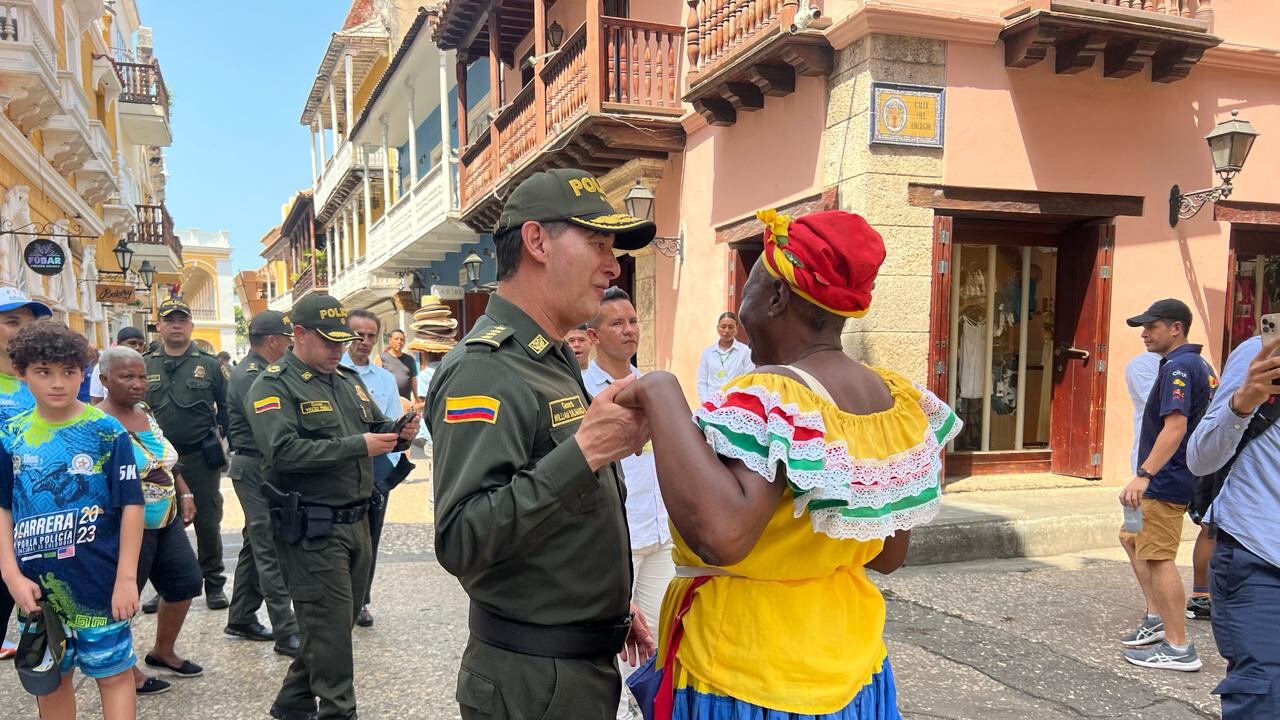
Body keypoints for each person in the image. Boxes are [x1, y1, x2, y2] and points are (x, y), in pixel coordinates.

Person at [615, 209, 961, 718]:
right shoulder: (894, 401)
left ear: (777, 298)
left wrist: (661, 390)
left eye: (749, 289)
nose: (741, 307)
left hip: (747, 670)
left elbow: (723, 536)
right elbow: (888, 554)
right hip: (849, 660)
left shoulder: (769, 396)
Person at [428, 168, 657, 719]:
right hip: (531, 684)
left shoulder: (550, 360)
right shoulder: (485, 370)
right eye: (598, 243)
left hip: (575, 666)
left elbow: (556, 518)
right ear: (536, 242)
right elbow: (462, 538)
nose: (614, 264)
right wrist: (584, 453)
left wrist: (601, 595)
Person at [247, 294, 417, 720]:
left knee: (332, 628)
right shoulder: (272, 385)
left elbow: (375, 424)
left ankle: (291, 703)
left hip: (357, 520)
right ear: (298, 335)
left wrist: (401, 430)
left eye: (341, 342)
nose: (338, 349)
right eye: (329, 342)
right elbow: (282, 451)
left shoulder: (345, 380)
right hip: (313, 529)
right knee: (334, 640)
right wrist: (356, 446)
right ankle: (339, 711)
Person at [0, 319, 144, 720]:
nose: (58, 383)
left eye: (69, 371)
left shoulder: (104, 431)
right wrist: (11, 575)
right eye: (44, 372)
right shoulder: (11, 435)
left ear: (83, 373)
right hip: (38, 594)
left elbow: (131, 504)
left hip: (100, 586)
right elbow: (3, 507)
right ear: (22, 372)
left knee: (114, 675)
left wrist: (126, 579)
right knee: (51, 680)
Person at [583, 287, 673, 720]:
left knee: (654, 638)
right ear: (594, 335)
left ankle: (646, 710)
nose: (628, 330)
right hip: (619, 536)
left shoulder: (652, 385)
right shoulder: (586, 393)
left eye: (633, 320)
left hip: (659, 531)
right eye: (616, 323)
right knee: (612, 638)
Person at [96, 346, 204, 695]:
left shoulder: (145, 412)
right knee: (124, 601)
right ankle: (126, 669)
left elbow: (164, 460)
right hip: (125, 527)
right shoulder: (95, 423)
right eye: (126, 376)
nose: (137, 384)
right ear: (104, 380)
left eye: (142, 376)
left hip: (166, 518)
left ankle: (163, 651)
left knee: (186, 583)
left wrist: (185, 492)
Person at [1118, 299, 1215, 672]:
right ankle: (1158, 617)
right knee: (1130, 538)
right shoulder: (1192, 364)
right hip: (1168, 476)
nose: (1144, 334)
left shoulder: (1178, 367)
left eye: (1152, 326)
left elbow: (1175, 427)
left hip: (1164, 478)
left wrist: (1144, 474)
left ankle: (1178, 647)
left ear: (1176, 328)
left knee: (1158, 558)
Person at [1188, 334, 1280, 718]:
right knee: (1263, 699)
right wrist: (1242, 403)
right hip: (1258, 554)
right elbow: (1200, 458)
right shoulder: (1260, 353)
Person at [143, 299, 230, 611]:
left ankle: (214, 584)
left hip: (198, 458)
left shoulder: (209, 365)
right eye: (170, 320)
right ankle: (166, 586)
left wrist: (224, 442)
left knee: (208, 522)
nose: (176, 325)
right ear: (160, 326)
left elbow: (228, 408)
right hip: (157, 463)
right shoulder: (145, 363)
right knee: (160, 522)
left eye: (182, 319)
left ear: (191, 325)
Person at [224, 311, 301, 657]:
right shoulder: (252, 376)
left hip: (261, 464)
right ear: (273, 341)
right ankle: (287, 632)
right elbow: (268, 423)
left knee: (254, 542)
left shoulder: (260, 372)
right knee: (268, 543)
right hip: (255, 464)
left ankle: (240, 615)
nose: (290, 346)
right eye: (287, 340)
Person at [342, 309, 404, 629]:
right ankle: (339, 603)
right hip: (339, 471)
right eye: (358, 335)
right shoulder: (335, 373)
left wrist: (388, 471)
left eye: (371, 336)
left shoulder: (384, 380)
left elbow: (393, 425)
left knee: (370, 539)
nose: (364, 342)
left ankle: (362, 600)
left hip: (375, 473)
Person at [0, 286, 51, 661]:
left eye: (28, 323)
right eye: (11, 322)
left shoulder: (41, 382)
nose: (22, 330)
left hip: (34, 526)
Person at [695, 311, 753, 403]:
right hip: (711, 404)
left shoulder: (745, 352)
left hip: (735, 404)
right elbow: (702, 382)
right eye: (723, 327)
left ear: (737, 329)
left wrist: (740, 402)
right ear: (717, 328)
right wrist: (706, 402)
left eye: (731, 327)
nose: (726, 330)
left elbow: (749, 380)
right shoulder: (708, 353)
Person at [90, 327, 148, 403]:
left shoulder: (146, 364)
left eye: (141, 344)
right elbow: (96, 399)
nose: (137, 347)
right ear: (119, 343)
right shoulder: (104, 365)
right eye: (132, 343)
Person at [380, 329, 418, 403]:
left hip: (405, 404)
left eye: (402, 340)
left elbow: (413, 382)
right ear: (390, 340)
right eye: (396, 339)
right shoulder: (381, 359)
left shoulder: (410, 360)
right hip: (387, 404)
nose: (399, 342)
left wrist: (416, 398)